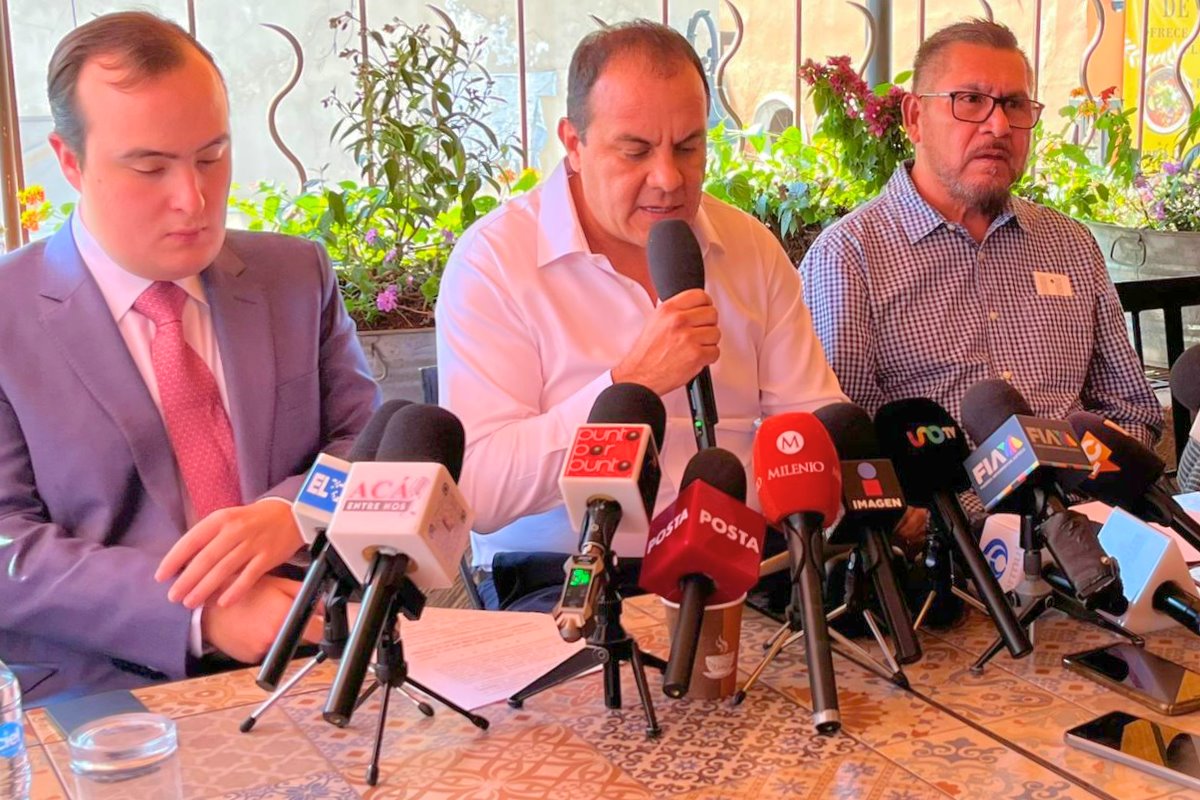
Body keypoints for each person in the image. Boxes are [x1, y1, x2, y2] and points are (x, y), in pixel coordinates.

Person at [0, 12, 380, 703]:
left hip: (314, 653)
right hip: (96, 689)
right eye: (150, 167)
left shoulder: (294, 276)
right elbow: (6, 545)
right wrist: (199, 612)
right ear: (69, 162)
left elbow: (368, 444)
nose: (194, 199)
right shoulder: (7, 316)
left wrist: (297, 511)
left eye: (212, 157)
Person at [436, 20, 846, 611]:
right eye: (635, 151)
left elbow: (807, 424)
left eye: (688, 147)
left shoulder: (749, 248)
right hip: (571, 575)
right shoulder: (494, 262)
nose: (669, 179)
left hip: (750, 561)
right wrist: (629, 385)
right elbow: (477, 488)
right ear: (573, 145)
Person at [801, 18, 1161, 448]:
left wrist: (1092, 480)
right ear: (915, 118)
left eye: (1014, 105)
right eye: (970, 100)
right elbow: (851, 447)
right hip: (948, 512)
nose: (999, 126)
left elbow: (1131, 410)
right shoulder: (849, 257)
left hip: (1083, 502)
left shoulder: (1070, 244)